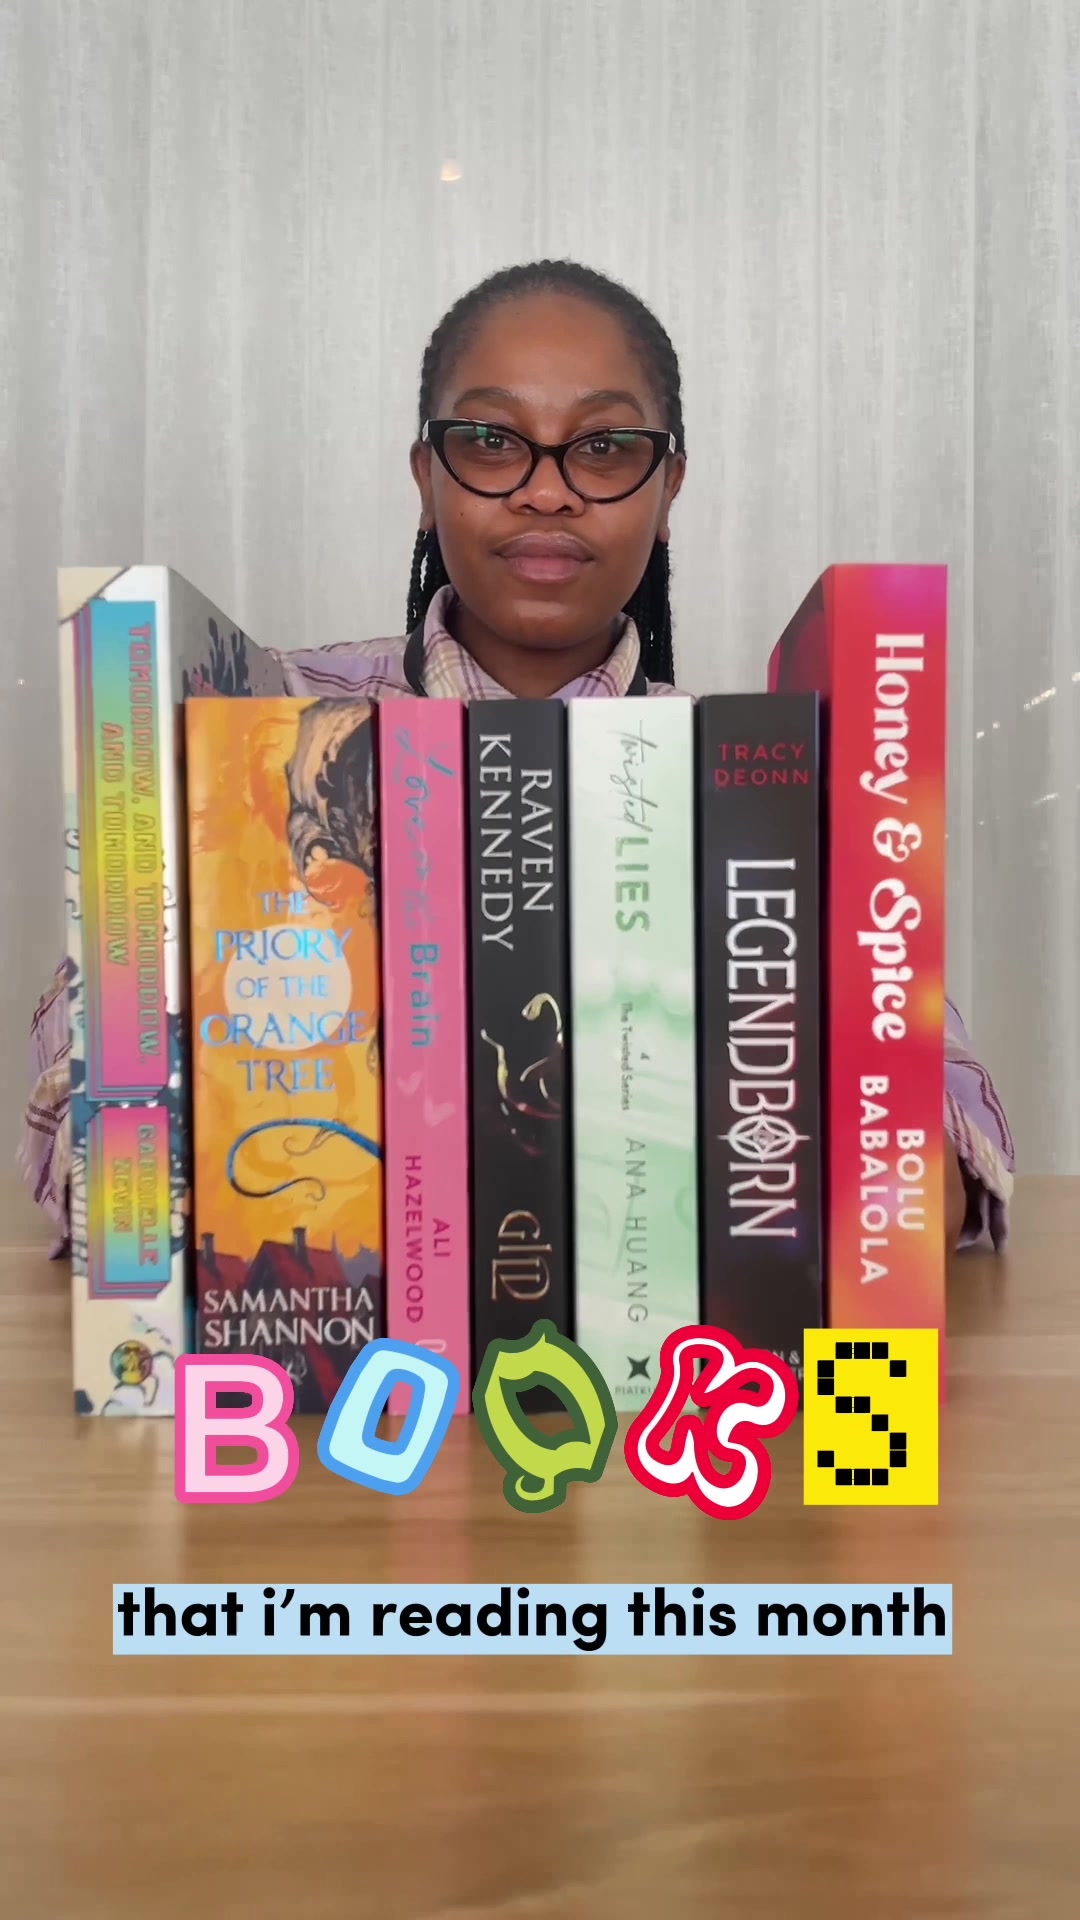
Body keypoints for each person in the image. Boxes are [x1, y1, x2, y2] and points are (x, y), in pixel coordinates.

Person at [18, 260, 1013, 1255]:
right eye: (492, 441)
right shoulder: (264, 723)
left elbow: (937, 1165)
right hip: (326, 1320)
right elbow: (89, 1126)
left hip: (663, 1326)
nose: (546, 492)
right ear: (426, 478)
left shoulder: (760, 779)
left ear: (668, 489)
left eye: (604, 447)